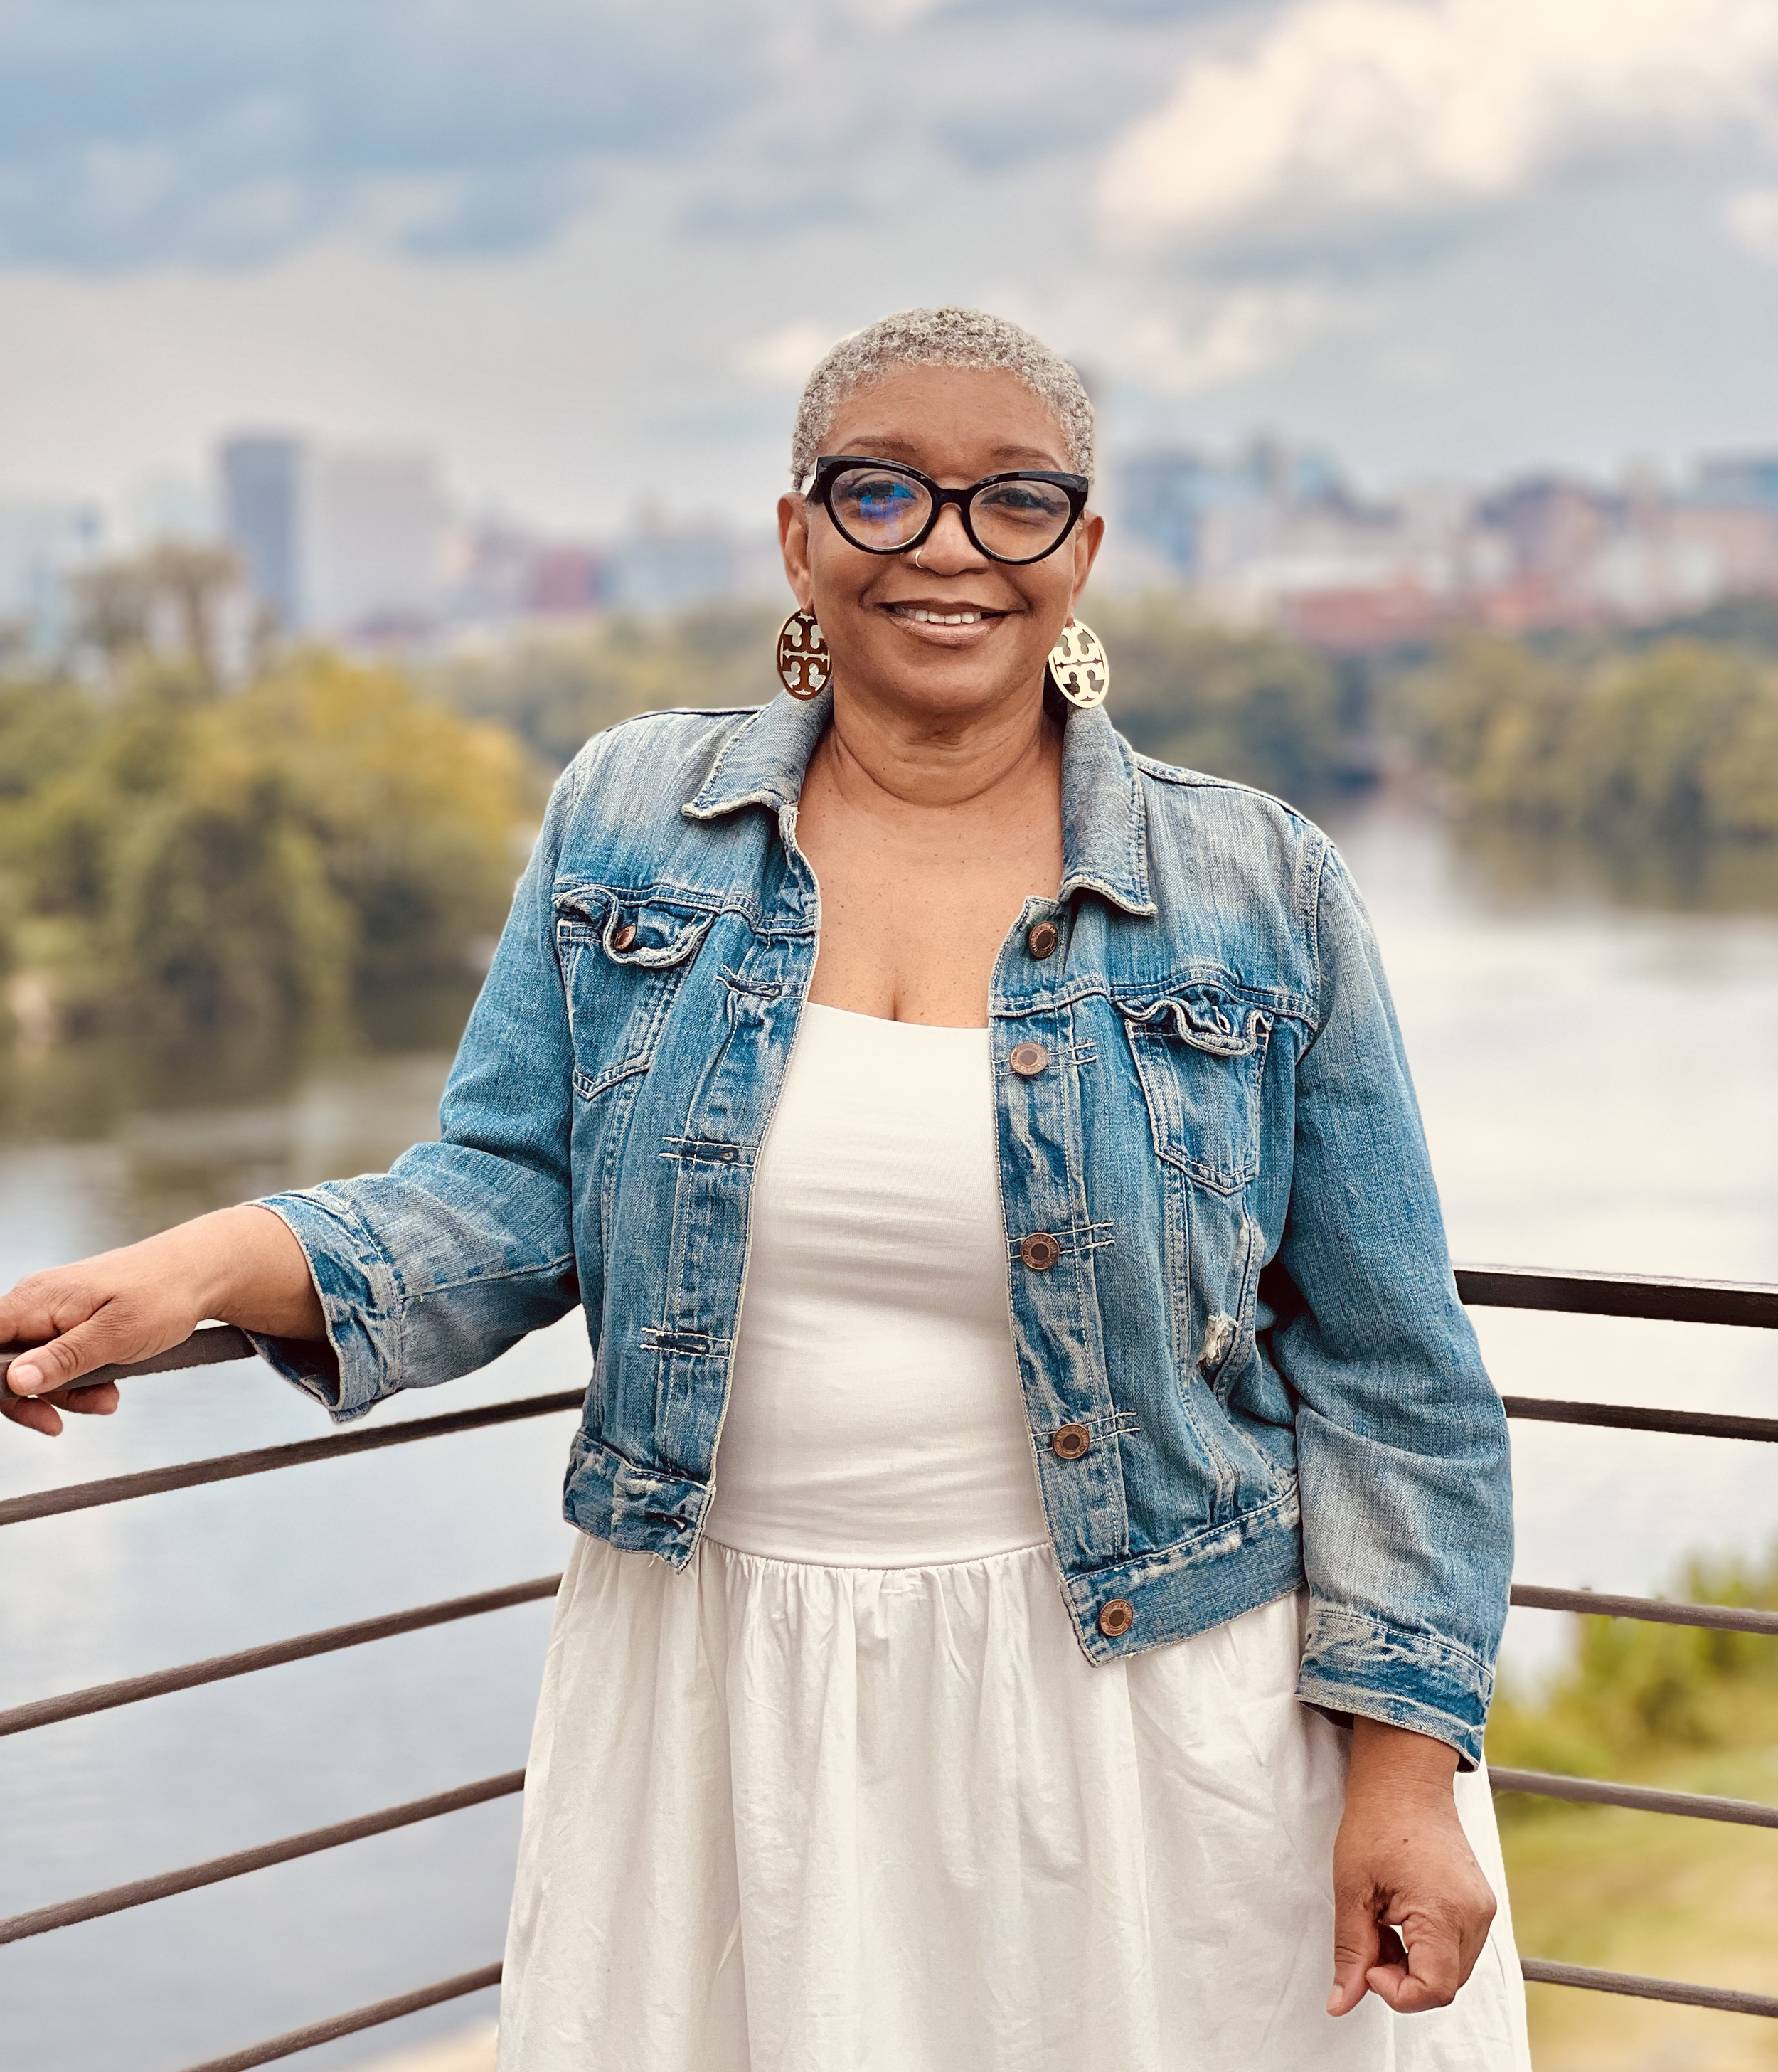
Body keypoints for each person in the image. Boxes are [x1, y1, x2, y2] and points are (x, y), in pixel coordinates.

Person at [1, 307, 1529, 2071]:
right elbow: (500, 1197)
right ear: (798, 536)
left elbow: (1393, 1370)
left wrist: (1406, 1763)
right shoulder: (630, 817)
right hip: (724, 1698)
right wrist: (207, 1261)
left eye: (1011, 499)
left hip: (1152, 1716)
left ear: (1081, 550)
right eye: (882, 493)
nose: (946, 546)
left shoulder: (1258, 884)